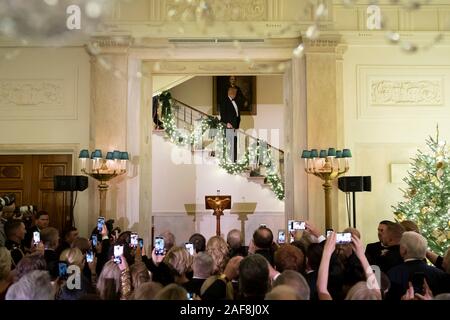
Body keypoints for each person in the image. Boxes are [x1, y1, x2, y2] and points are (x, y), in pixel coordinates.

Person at [220, 87, 241, 162]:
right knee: (228, 144)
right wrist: (227, 123)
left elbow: (237, 115)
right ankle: (227, 161)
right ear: (230, 92)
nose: (235, 94)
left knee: (234, 144)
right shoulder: (224, 101)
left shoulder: (235, 101)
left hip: (234, 127)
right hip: (228, 126)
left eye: (235, 92)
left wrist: (237, 126)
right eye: (234, 92)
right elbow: (223, 113)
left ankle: (234, 161)